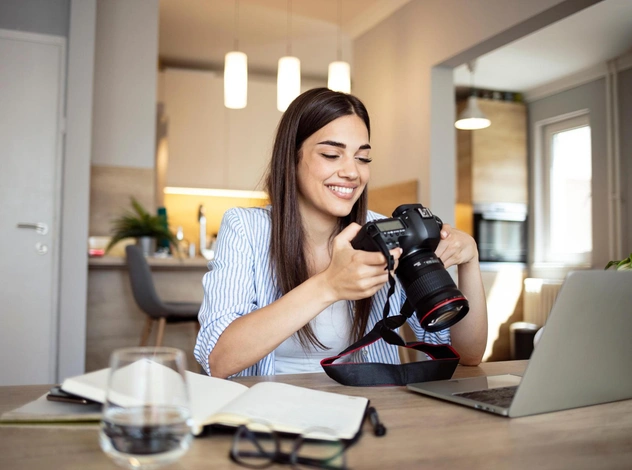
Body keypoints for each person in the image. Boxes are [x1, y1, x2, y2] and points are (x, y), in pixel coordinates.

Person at [194, 88, 487, 378]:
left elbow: (469, 355)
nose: (352, 172)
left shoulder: (387, 233)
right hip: (271, 411)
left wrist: (470, 260)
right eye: (332, 154)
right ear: (291, 158)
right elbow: (218, 359)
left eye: (362, 158)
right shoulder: (246, 228)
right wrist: (328, 286)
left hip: (367, 409)